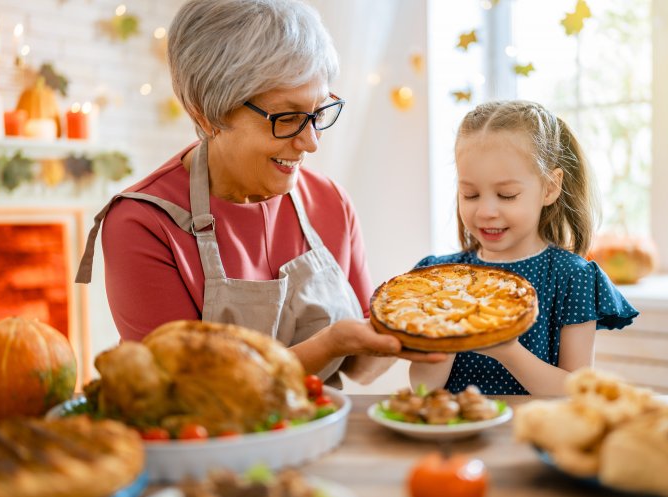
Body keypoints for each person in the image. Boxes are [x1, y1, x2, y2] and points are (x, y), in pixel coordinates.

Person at [76, 0, 445, 385]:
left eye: (318, 112)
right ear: (207, 114)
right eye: (287, 118)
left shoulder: (330, 202)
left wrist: (418, 322)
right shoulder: (144, 223)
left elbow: (361, 366)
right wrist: (327, 345)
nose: (311, 142)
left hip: (326, 436)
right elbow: (179, 392)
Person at [410, 100, 638, 396]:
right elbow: (422, 388)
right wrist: (447, 331)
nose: (486, 211)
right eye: (471, 194)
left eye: (506, 195)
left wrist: (507, 350)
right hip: (455, 437)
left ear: (550, 188)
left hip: (535, 436)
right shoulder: (439, 276)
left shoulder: (572, 277)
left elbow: (577, 393)